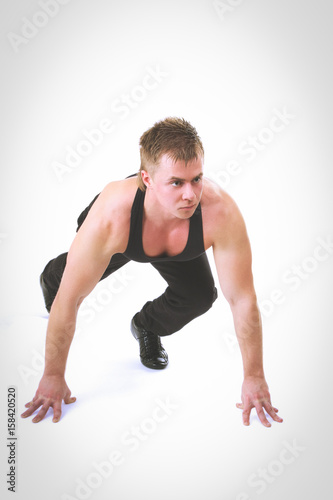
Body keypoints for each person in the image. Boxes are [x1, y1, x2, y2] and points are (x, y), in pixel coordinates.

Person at [21, 117, 283, 428]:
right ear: (147, 179)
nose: (190, 194)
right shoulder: (111, 217)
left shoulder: (220, 212)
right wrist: (53, 374)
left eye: (196, 179)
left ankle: (146, 326)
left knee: (199, 296)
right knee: (70, 281)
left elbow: (242, 299)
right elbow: (69, 299)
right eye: (176, 182)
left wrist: (253, 376)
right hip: (125, 233)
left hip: (173, 241)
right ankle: (52, 275)